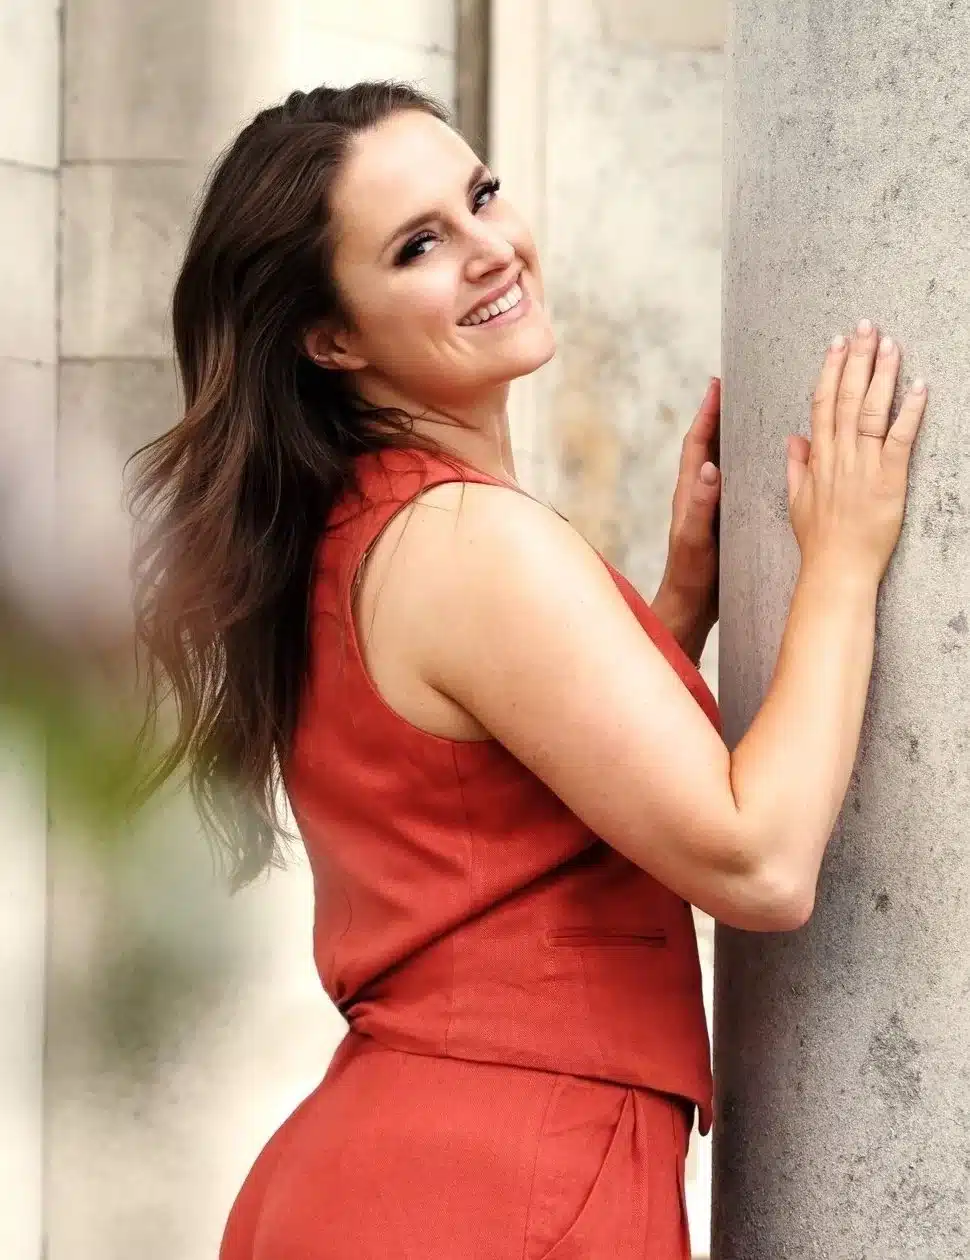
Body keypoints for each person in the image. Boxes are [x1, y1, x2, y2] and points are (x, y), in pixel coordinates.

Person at [128, 82, 927, 1259]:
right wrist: (844, 563)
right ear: (332, 336)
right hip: (502, 1187)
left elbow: (476, 820)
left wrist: (670, 619)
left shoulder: (358, 530)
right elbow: (759, 862)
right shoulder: (463, 541)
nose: (492, 249)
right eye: (418, 246)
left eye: (481, 195)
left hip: (413, 1174)